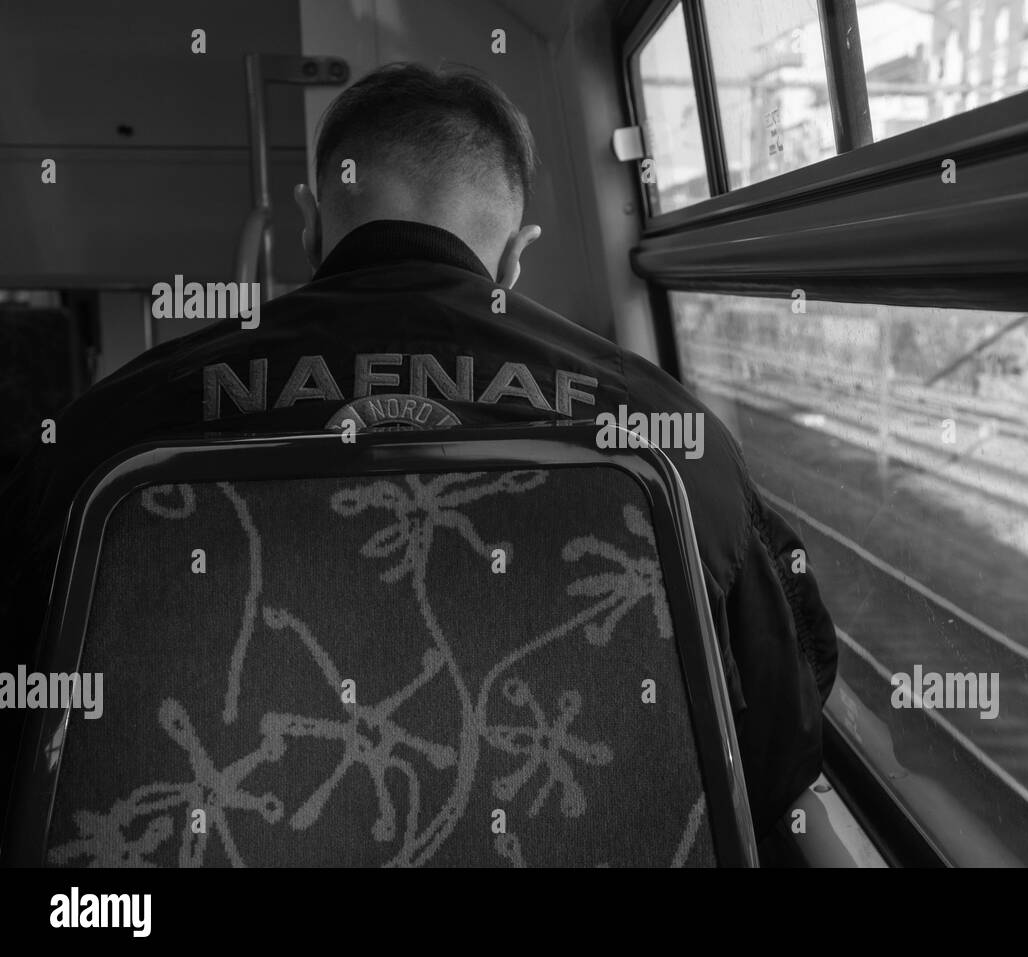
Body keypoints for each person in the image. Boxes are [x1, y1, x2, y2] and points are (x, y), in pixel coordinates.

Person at [0, 63, 837, 845]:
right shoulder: (669, 436)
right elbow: (778, 747)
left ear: (306, 226)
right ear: (518, 251)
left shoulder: (110, 429)